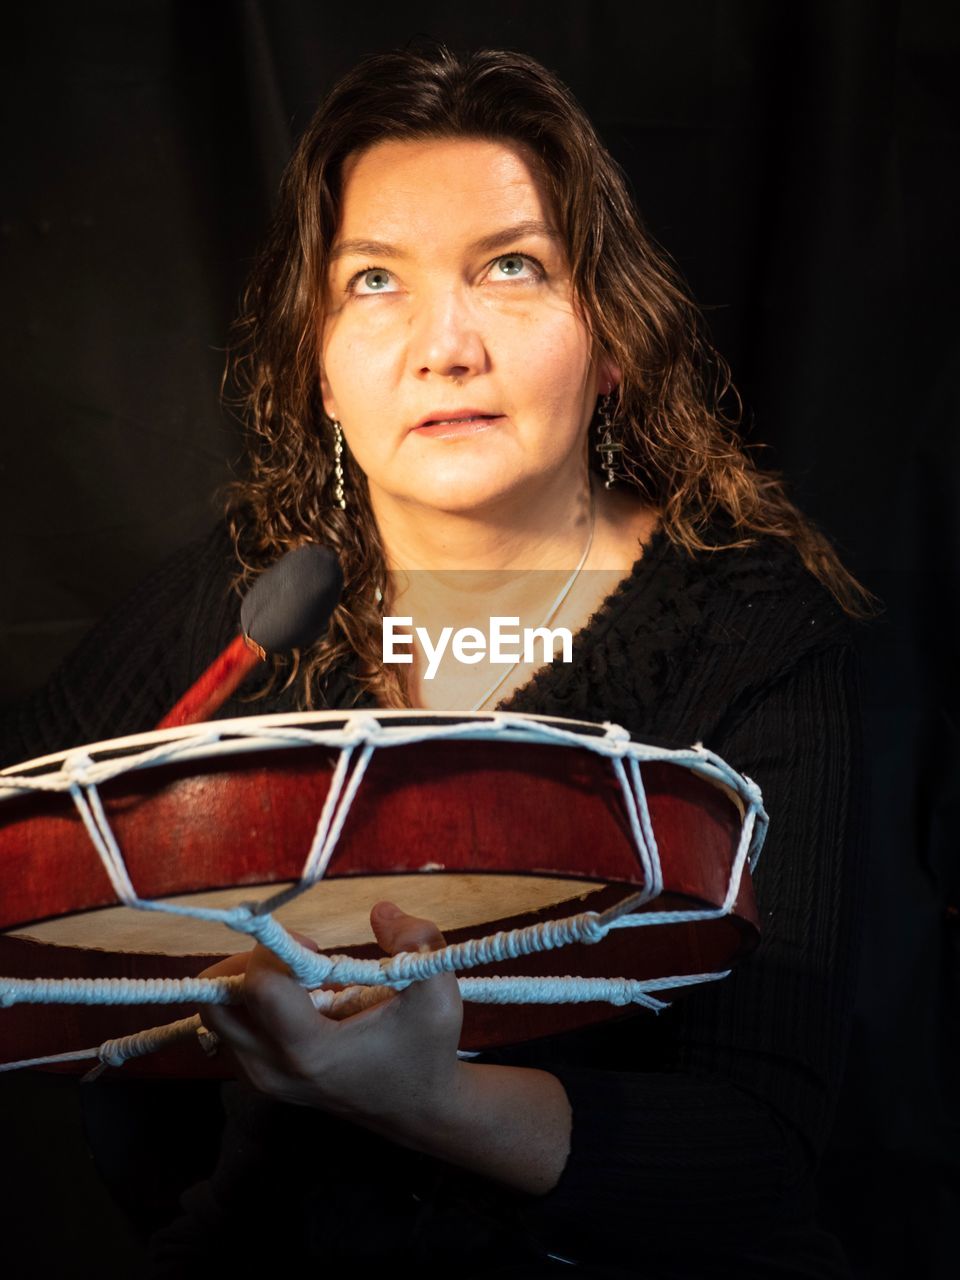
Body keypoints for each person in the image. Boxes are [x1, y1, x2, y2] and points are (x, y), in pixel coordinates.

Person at [2, 46, 872, 1278]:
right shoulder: (255, 587)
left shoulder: (757, 631)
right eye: (374, 281)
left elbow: (759, 1149)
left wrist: (425, 1097)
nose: (443, 343)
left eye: (511, 266)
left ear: (613, 337)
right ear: (319, 362)